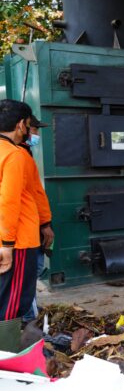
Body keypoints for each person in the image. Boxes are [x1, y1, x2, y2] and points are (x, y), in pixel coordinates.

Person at [0, 100, 40, 337]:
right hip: (17, 241)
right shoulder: (14, 155)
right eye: (27, 124)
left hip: (6, 237)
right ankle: (7, 352)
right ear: (20, 125)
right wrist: (6, 245)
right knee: (13, 301)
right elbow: (9, 200)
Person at [18, 115, 54, 322]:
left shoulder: (23, 153)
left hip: (29, 226)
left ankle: (28, 308)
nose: (37, 134)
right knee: (30, 274)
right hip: (25, 230)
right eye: (35, 130)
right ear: (23, 127)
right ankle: (28, 317)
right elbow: (34, 194)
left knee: (30, 273)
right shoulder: (18, 156)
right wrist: (45, 223)